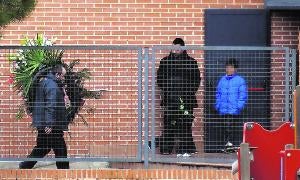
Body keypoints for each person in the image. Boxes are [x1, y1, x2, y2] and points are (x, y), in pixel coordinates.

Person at [19, 64, 70, 169]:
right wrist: (49, 124)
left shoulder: (44, 82)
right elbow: (50, 106)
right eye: (62, 76)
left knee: (43, 147)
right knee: (60, 148)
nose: (63, 78)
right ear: (57, 74)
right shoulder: (52, 86)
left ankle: (25, 165)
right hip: (51, 125)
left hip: (44, 122)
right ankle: (64, 171)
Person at [156, 38, 200, 157]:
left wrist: (189, 92)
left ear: (183, 48)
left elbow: (196, 80)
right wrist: (168, 90)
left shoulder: (191, 62)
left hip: (186, 99)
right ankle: (166, 148)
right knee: (169, 123)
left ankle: (186, 149)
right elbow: (160, 79)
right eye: (174, 47)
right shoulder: (165, 62)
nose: (176, 49)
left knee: (185, 124)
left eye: (178, 47)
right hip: (170, 99)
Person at [214, 58, 247, 152]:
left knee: (230, 127)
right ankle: (227, 146)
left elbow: (242, 95)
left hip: (233, 109)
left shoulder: (240, 80)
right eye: (228, 67)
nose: (229, 69)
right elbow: (218, 94)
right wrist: (218, 105)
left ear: (235, 69)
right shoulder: (222, 80)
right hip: (223, 109)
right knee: (224, 127)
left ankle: (230, 146)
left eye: (231, 67)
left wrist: (238, 106)